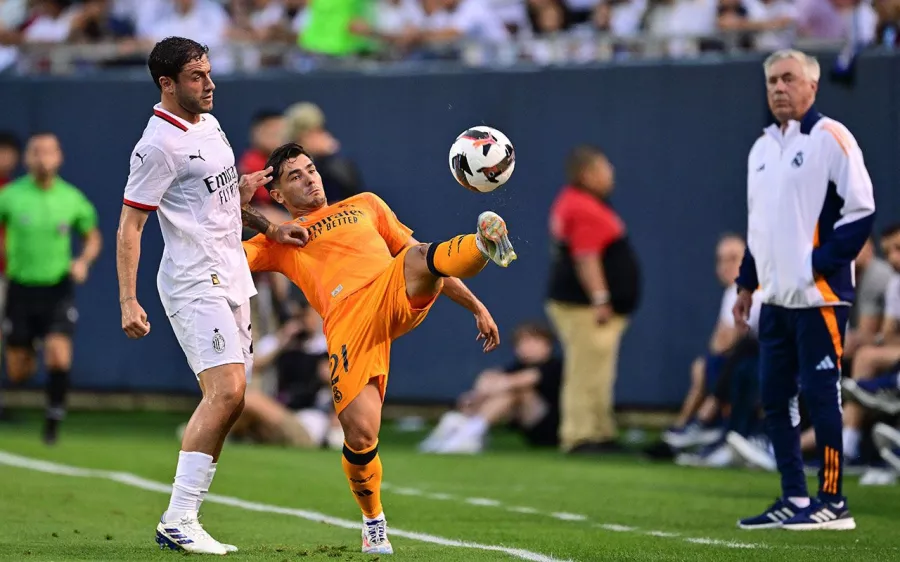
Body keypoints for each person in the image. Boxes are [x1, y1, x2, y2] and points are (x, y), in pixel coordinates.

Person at [241, 142, 514, 555]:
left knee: (419, 254)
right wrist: (246, 212)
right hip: (349, 323)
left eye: (310, 169)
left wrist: (477, 307)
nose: (309, 178)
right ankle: (374, 523)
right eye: (294, 176)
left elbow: (424, 257)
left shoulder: (365, 204)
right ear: (277, 195)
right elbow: (222, 253)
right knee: (361, 435)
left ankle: (480, 244)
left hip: (391, 291)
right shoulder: (279, 241)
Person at [115, 37, 305, 555]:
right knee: (226, 392)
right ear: (168, 84)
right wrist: (128, 301)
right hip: (193, 280)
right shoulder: (157, 145)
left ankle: (184, 516)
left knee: (234, 397)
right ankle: (178, 518)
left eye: (209, 72)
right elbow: (131, 226)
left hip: (232, 273)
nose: (210, 83)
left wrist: (266, 221)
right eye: (197, 76)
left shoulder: (210, 124)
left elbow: (220, 196)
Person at [733, 49, 874, 531]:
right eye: (772, 80)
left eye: (788, 78)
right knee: (775, 398)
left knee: (820, 395)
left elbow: (861, 211)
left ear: (812, 85)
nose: (778, 88)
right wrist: (747, 282)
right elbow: (759, 228)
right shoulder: (762, 147)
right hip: (774, 299)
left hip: (818, 297)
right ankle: (794, 496)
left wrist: (820, 265)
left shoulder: (831, 137)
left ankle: (832, 499)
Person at [0, 132, 101, 443]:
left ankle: (53, 421)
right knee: (18, 371)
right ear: (27, 158)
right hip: (20, 288)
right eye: (36, 151)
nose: (43, 157)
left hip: (57, 288)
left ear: (59, 157)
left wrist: (83, 260)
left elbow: (92, 236)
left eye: (49, 151)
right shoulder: (11, 196)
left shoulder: (72, 198)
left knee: (58, 355)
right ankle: (27, 344)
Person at [545, 145, 641, 454]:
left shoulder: (577, 202)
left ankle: (600, 432)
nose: (610, 172)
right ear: (587, 174)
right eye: (605, 167)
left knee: (598, 371)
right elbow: (586, 257)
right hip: (584, 306)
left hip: (583, 305)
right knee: (586, 371)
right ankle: (580, 436)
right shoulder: (583, 206)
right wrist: (600, 298)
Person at [419, 321, 563, 454]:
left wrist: (485, 391)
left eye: (532, 342)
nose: (526, 347)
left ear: (547, 345)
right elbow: (492, 379)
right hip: (527, 428)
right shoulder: (516, 367)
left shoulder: (554, 365)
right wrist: (476, 395)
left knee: (516, 391)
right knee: (491, 383)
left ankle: (471, 433)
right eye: (522, 343)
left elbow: (523, 380)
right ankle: (458, 428)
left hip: (551, 427)